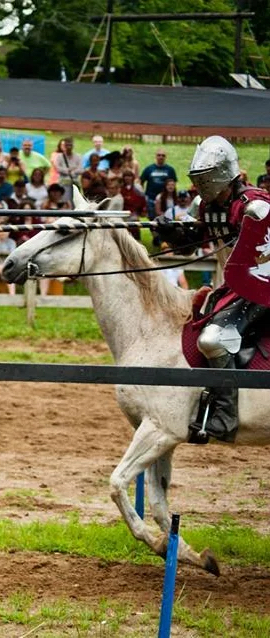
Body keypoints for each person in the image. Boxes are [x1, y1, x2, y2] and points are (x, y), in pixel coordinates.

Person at [156, 136, 270, 443]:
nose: (201, 185)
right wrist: (170, 232)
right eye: (198, 180)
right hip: (232, 289)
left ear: (222, 174)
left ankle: (226, 415)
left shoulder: (254, 205)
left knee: (213, 339)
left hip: (262, 286)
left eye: (205, 179)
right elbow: (190, 245)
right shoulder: (205, 206)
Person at [140, 148, 177, 219]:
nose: (161, 157)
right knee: (152, 219)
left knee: (165, 218)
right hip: (151, 198)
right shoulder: (149, 169)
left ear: (166, 157)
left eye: (163, 155)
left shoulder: (170, 170)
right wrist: (143, 196)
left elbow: (173, 184)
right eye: (159, 155)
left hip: (164, 199)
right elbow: (141, 182)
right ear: (156, 156)